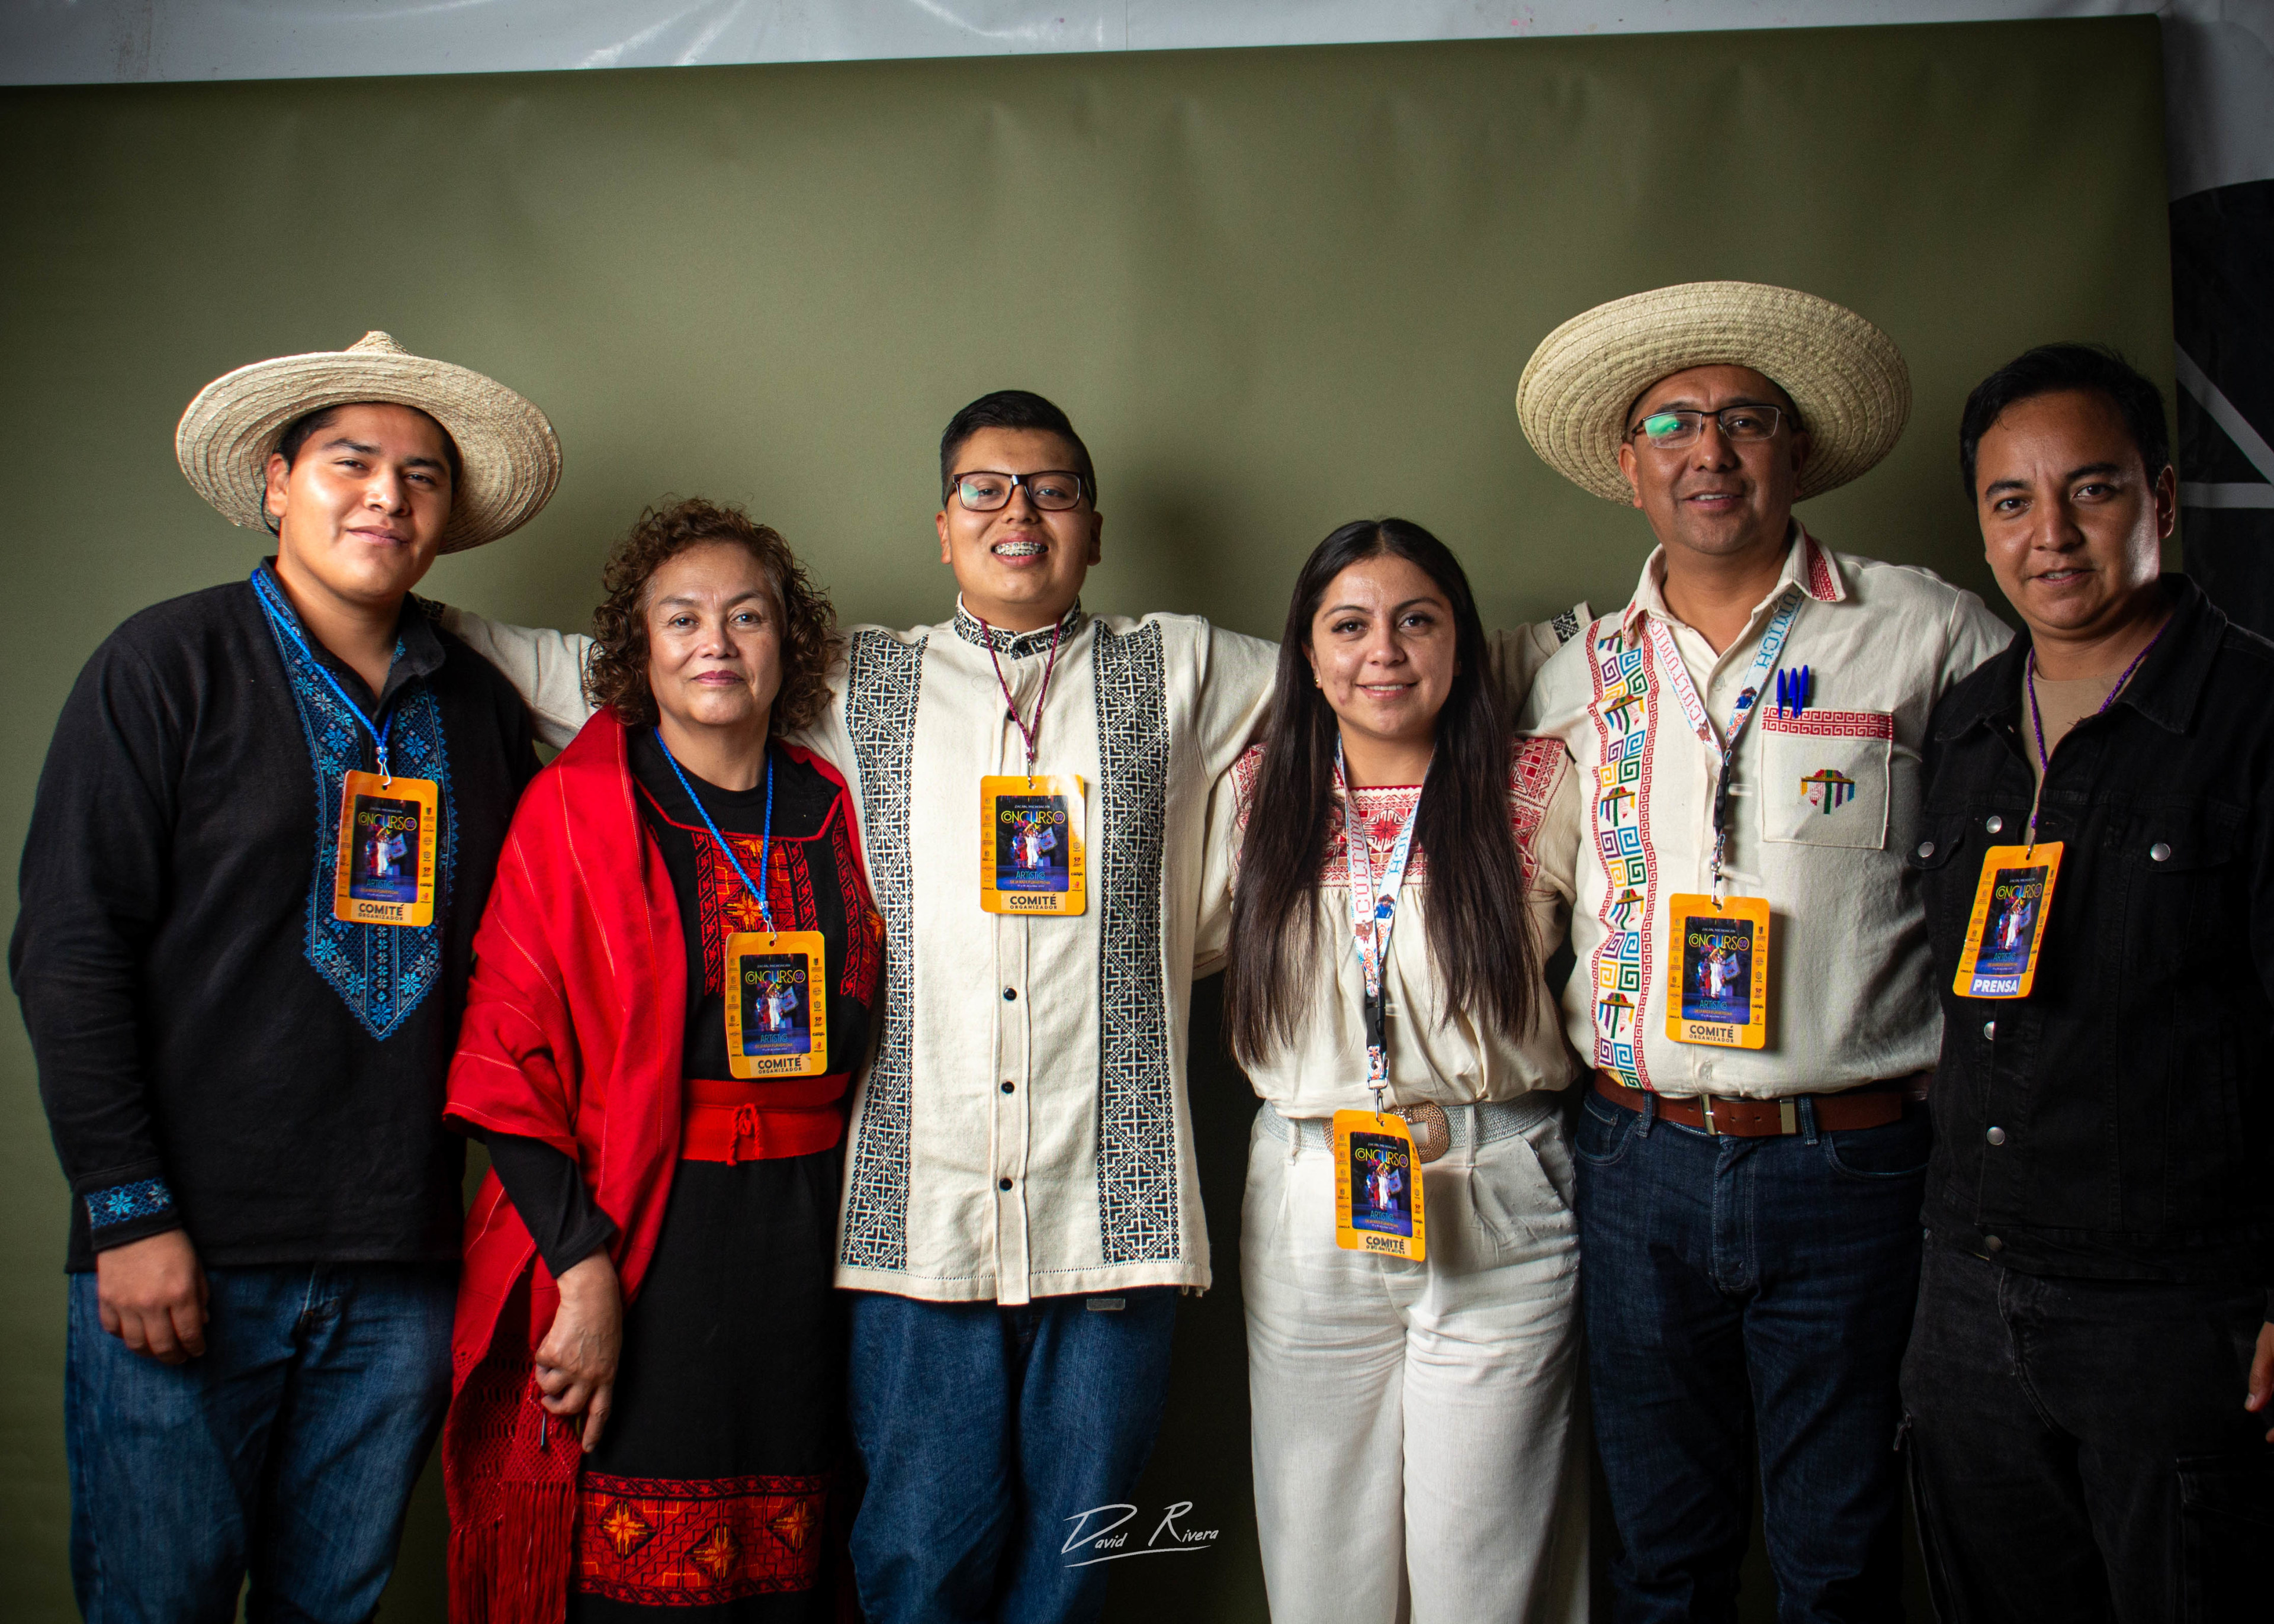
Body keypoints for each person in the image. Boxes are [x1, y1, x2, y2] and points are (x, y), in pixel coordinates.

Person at [445, 391, 1279, 1623]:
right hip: (913, 1228)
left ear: (1093, 529)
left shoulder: (1190, 664)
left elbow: (1362, 678)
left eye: (1050, 489)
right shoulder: (864, 679)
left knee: (1078, 1574)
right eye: (986, 490)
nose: (1019, 512)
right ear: (942, 528)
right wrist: (411, 615)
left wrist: (1202, 915)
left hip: (1118, 1215)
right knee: (913, 1565)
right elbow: (630, 667)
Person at [11, 330, 557, 1622]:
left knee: (337, 1606)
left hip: (400, 1270)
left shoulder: (480, 711)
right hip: (186, 1258)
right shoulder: (164, 666)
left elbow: (521, 969)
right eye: (351, 462)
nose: (387, 495)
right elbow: (68, 949)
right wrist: (130, 1214)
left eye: (423, 477)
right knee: (161, 1604)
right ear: (274, 479)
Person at [1514, 282, 2013, 1623]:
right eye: (1673, 423)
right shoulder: (1573, 675)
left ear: (1794, 451)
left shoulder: (1933, 635)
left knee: (1838, 1558)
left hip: (1852, 1166)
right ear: (1630, 468)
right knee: (1660, 1560)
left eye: (1746, 420)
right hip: (1632, 1159)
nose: (1710, 450)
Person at [439, 499, 882, 1622]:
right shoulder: (579, 810)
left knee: (793, 1573)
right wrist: (584, 1271)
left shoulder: (840, 811)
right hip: (641, 1236)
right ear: (640, 651)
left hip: (810, 1250)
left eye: (747, 616)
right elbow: (502, 1061)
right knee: (635, 1585)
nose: (716, 643)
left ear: (793, 643)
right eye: (681, 619)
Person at [1900, 343, 2274, 1622]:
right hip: (1967, 1296)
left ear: (2162, 498)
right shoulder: (1960, 727)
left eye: (2094, 489)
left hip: (2175, 1315)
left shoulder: (2256, 718)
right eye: (2012, 502)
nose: (2051, 533)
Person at [1199, 518, 1589, 1623]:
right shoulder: (1252, 798)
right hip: (1312, 1188)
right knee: (1323, 1559)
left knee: (1490, 1558)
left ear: (1462, 643)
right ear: (1308, 653)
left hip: (1498, 1185)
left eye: (1418, 620)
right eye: (1350, 625)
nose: (1385, 652)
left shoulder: (1536, 785)